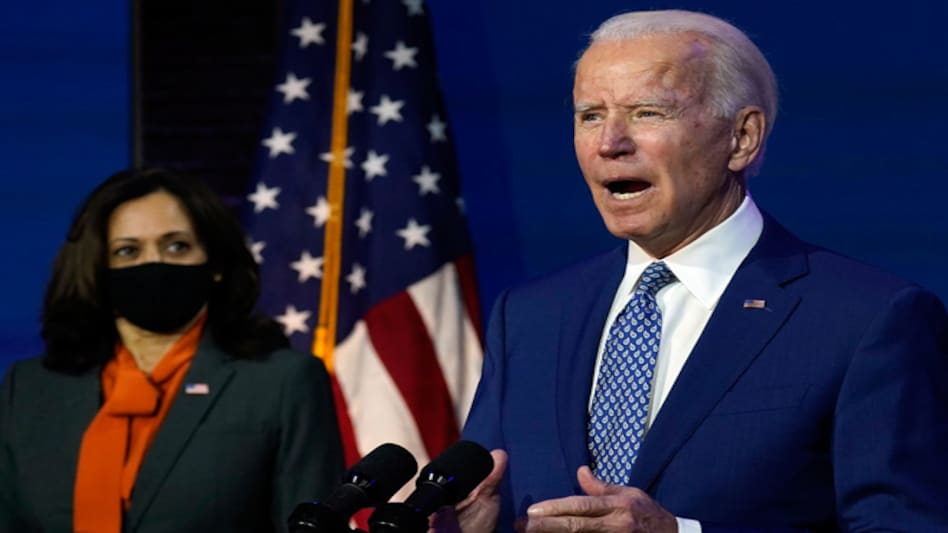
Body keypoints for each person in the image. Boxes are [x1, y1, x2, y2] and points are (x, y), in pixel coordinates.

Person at [452, 9, 948, 533]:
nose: (609, 143)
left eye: (647, 113)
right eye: (590, 115)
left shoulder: (866, 320)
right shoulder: (530, 315)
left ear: (742, 137)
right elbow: (498, 496)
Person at [0, 167, 346, 532]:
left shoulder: (282, 383)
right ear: (96, 268)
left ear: (214, 262)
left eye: (176, 246)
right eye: (127, 251)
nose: (154, 263)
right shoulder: (28, 389)